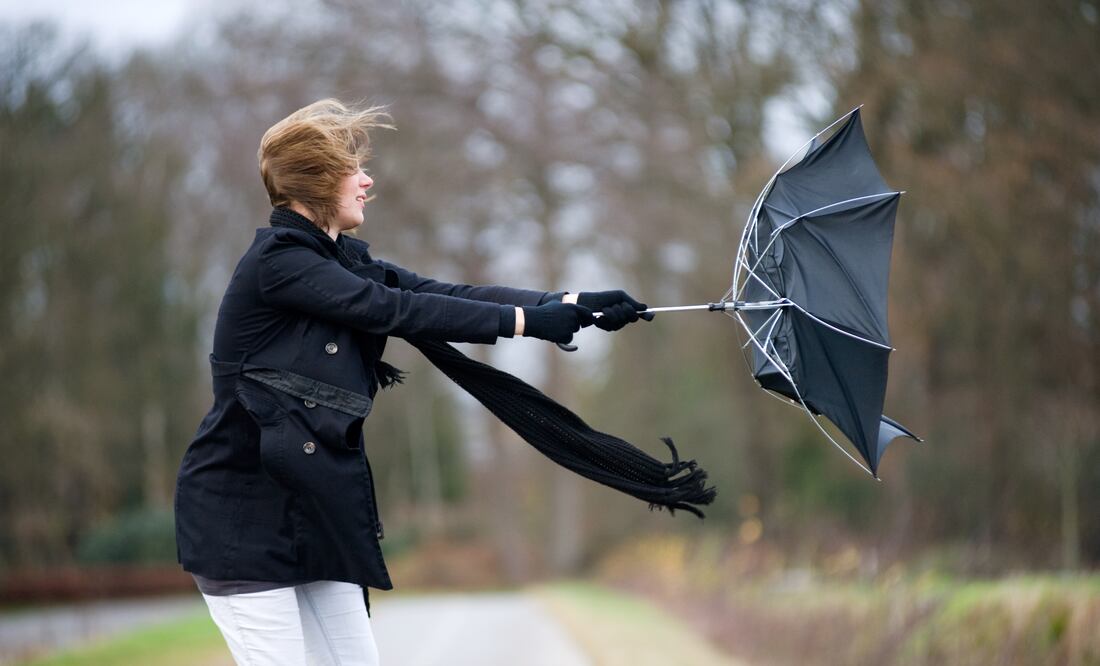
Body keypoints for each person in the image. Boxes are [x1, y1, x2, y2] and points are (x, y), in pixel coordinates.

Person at [173, 98, 650, 666]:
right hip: (243, 522)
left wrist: (567, 304)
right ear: (319, 181)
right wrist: (526, 322)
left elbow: (439, 294)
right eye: (354, 169)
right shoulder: (278, 263)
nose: (367, 180)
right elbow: (391, 309)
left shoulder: (337, 259)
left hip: (314, 514)